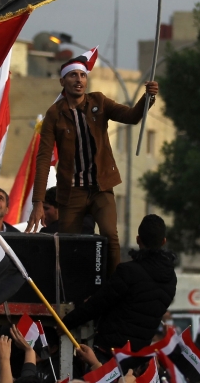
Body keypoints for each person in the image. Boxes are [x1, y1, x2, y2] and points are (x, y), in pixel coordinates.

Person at [25, 48, 159, 274]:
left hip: (101, 186)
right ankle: (69, 291)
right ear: (62, 81)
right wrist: (38, 202)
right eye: (73, 75)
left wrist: (148, 98)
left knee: (110, 234)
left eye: (82, 75)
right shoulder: (54, 114)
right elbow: (43, 158)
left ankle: (115, 283)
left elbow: (131, 117)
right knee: (69, 244)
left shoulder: (99, 101)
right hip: (71, 191)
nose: (79, 80)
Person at [61, 215, 177, 352]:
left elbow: (98, 304)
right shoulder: (171, 278)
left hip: (111, 352)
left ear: (138, 239)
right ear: (164, 241)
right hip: (139, 356)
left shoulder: (128, 271)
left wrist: (66, 323)